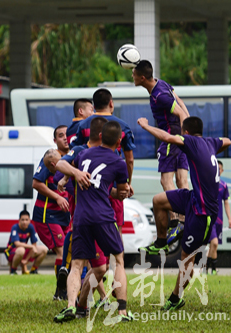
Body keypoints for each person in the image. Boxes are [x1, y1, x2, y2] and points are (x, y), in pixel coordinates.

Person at [137, 116, 231, 311]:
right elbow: (228, 141)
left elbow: (167, 137)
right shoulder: (209, 143)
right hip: (192, 198)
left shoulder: (191, 141)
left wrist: (146, 126)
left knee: (186, 259)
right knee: (158, 200)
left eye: (181, 131)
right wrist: (212, 151)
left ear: (185, 132)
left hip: (203, 213)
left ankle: (175, 298)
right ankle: (162, 241)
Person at [54, 121, 133, 323]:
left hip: (81, 218)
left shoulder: (83, 154)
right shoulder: (118, 162)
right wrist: (125, 192)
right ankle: (123, 312)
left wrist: (74, 174)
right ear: (118, 141)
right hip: (104, 218)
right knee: (118, 262)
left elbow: (106, 189)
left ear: (99, 135)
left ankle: (72, 306)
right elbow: (120, 192)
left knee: (77, 265)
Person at [132, 60, 190, 226]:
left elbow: (179, 112)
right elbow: (181, 102)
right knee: (182, 181)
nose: (132, 76)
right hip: (180, 137)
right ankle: (186, 219)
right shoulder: (161, 83)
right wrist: (188, 136)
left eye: (134, 73)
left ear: (142, 78)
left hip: (171, 137)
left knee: (166, 181)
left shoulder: (160, 96)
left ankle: (177, 218)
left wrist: (183, 136)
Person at [72, 88, 135, 232]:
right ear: (111, 103)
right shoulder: (123, 126)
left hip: (87, 186)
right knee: (115, 231)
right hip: (112, 182)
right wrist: (126, 184)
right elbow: (129, 160)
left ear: (94, 106)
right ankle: (118, 255)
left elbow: (75, 154)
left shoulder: (83, 125)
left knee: (86, 233)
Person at [32, 125, 70, 300]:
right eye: (61, 136)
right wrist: (58, 197)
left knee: (71, 252)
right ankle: (61, 292)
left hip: (65, 216)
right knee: (62, 252)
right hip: (47, 215)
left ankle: (64, 291)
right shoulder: (51, 158)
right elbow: (36, 183)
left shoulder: (73, 157)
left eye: (67, 135)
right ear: (55, 141)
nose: (65, 138)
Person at [206, 160, 231, 275]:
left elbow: (226, 202)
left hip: (219, 220)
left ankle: (209, 269)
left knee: (214, 246)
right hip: (209, 219)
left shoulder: (224, 185)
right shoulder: (207, 183)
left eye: (219, 168)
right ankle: (211, 269)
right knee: (215, 243)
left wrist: (229, 219)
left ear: (222, 171)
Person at [4, 210, 47, 275]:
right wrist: (32, 246)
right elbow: (17, 244)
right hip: (11, 252)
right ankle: (13, 271)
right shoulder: (15, 228)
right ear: (19, 220)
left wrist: (26, 260)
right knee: (21, 250)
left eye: (26, 220)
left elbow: (34, 244)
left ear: (29, 220)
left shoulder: (31, 227)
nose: (24, 222)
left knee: (44, 249)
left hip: (24, 251)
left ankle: (34, 270)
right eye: (23, 220)